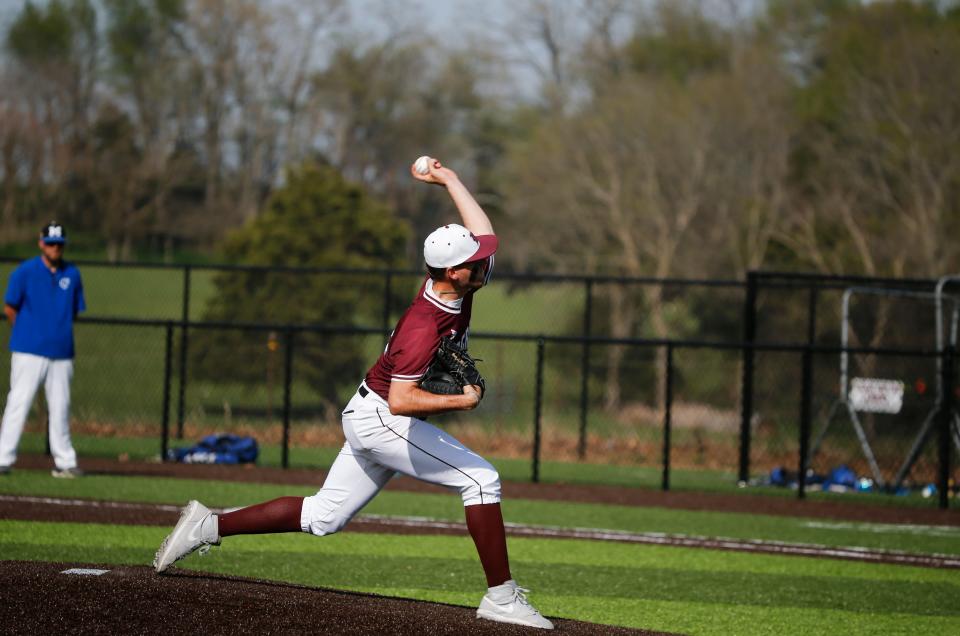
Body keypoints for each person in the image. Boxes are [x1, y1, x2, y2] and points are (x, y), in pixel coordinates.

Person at [153, 158, 554, 629]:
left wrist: (448, 179)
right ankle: (501, 598)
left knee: (323, 515)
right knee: (481, 480)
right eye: (473, 261)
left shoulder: (460, 285)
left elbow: (482, 230)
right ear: (452, 273)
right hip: (383, 416)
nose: (484, 261)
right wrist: (459, 402)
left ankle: (206, 526)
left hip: (373, 411)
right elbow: (403, 400)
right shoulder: (422, 328)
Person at [0, 221, 86, 478]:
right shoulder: (25, 271)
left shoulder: (72, 273)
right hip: (29, 349)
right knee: (19, 401)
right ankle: (3, 457)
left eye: (59, 244)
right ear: (41, 244)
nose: (54, 248)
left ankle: (65, 461)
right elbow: (10, 308)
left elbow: (74, 310)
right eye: (50, 243)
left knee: (60, 406)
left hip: (61, 351)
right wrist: (31, 331)